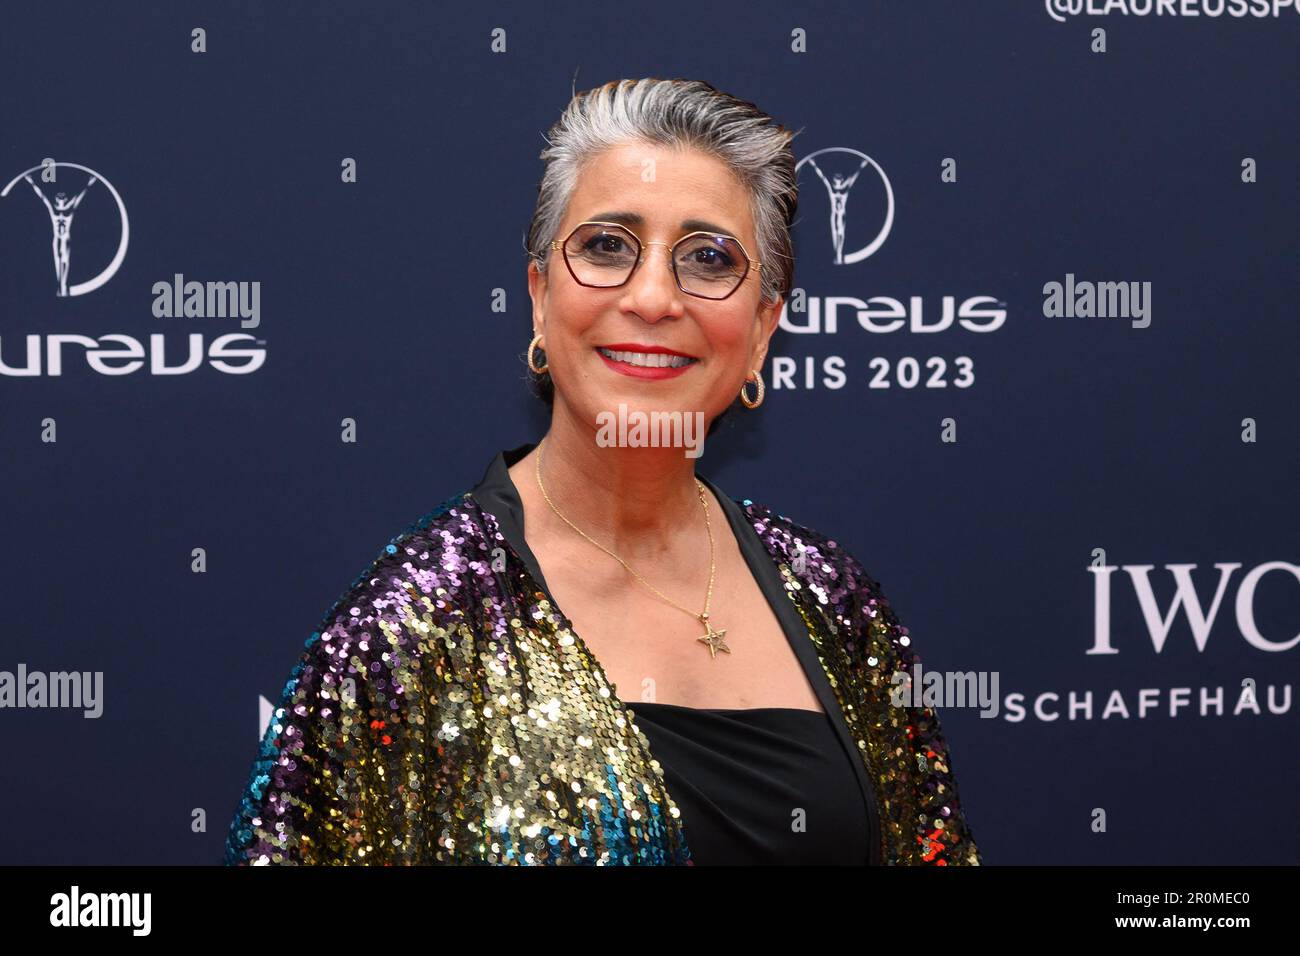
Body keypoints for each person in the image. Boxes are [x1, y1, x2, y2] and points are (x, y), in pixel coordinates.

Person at [223, 77, 981, 866]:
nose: (653, 297)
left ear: (761, 330)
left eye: (709, 258)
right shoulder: (412, 627)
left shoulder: (835, 600)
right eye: (606, 246)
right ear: (540, 298)